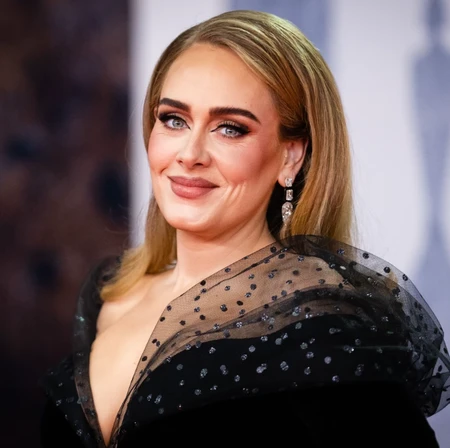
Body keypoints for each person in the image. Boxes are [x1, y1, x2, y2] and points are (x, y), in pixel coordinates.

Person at [39, 9, 450, 448]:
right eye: (174, 119)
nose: (190, 154)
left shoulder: (324, 327)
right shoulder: (111, 293)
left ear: (291, 156)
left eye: (230, 129)